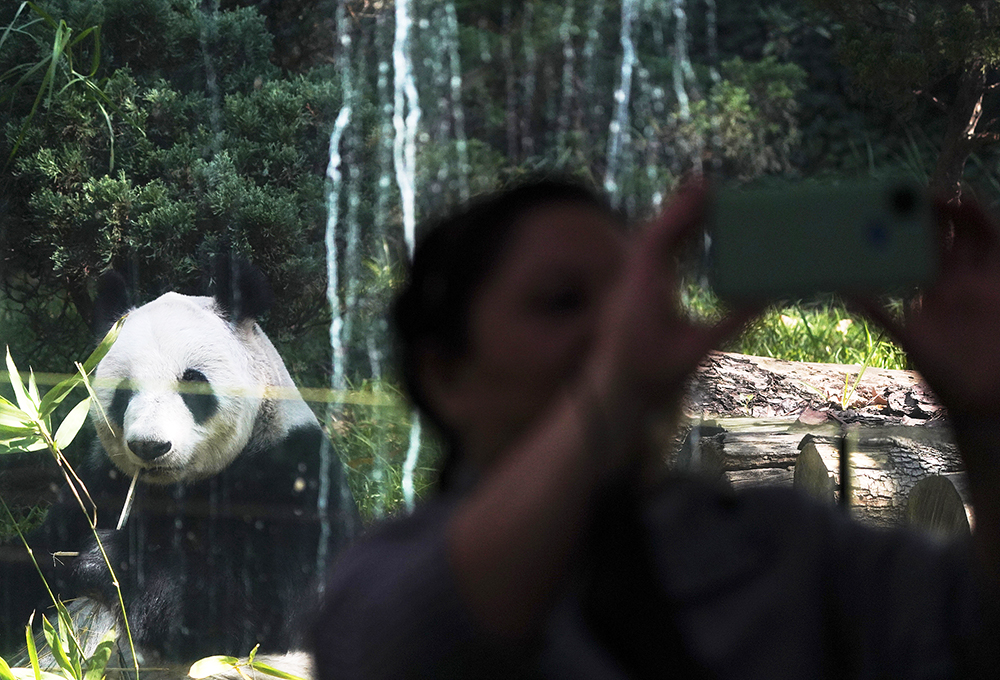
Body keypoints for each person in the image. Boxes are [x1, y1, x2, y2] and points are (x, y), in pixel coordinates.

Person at [310, 178, 1000, 678]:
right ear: (444, 374)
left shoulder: (790, 548)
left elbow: (974, 634)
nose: (623, 332)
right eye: (562, 301)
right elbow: (401, 643)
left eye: (634, 295)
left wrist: (988, 416)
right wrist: (609, 394)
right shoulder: (381, 578)